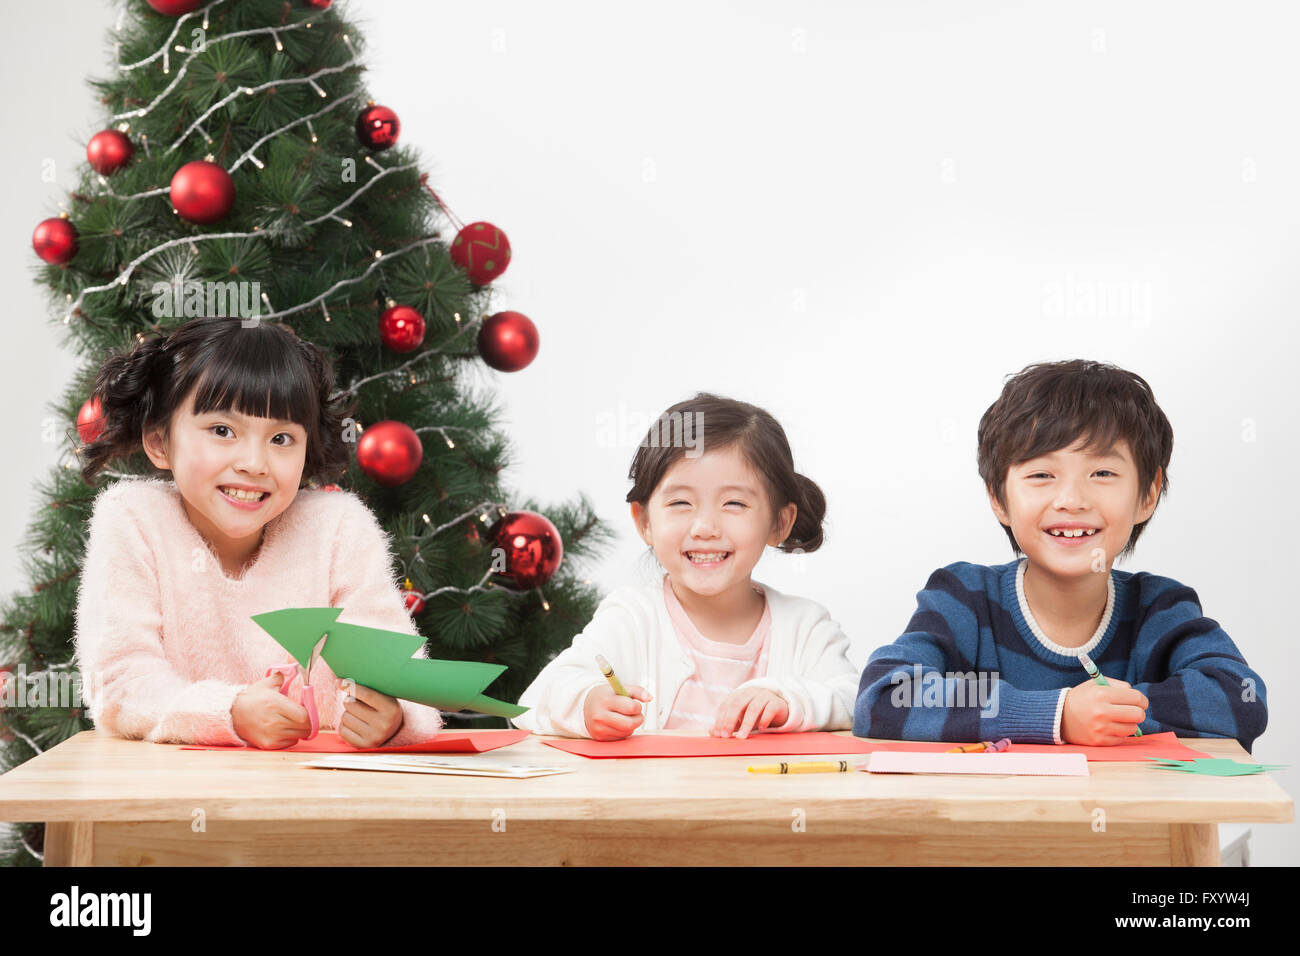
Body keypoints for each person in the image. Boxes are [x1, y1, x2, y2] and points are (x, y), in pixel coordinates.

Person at [853, 359, 1268, 751]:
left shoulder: (1158, 609)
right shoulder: (966, 598)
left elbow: (1240, 697)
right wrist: (1057, 714)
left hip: (1128, 823)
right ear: (999, 497)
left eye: (1102, 473)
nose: (1071, 499)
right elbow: (886, 693)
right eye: (1041, 475)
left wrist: (1108, 713)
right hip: (993, 824)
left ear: (1148, 494)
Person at [73, 316, 443, 749]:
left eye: (282, 438)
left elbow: (400, 669)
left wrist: (394, 718)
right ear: (158, 442)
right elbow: (120, 681)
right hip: (175, 795)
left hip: (319, 794)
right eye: (222, 430)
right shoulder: (134, 519)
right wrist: (226, 712)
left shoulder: (339, 528)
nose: (254, 463)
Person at [513, 392, 857, 740]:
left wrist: (789, 700)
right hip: (657, 797)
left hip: (767, 796)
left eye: (734, 503)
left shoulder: (806, 628)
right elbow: (536, 700)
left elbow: (858, 701)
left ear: (779, 523)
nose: (705, 527)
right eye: (680, 502)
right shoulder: (632, 617)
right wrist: (587, 704)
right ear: (644, 521)